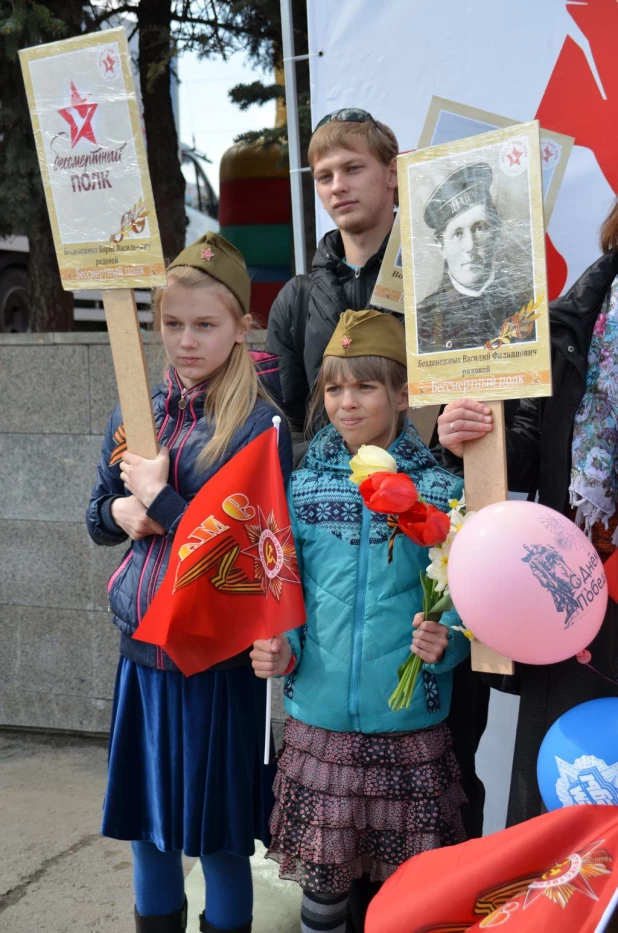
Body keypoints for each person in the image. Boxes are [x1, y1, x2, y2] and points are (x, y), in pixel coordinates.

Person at [86, 232, 292, 933]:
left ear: (241, 325)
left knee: (218, 836)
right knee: (148, 829)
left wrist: (164, 501)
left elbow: (244, 559)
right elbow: (94, 516)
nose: (187, 340)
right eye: (172, 324)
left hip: (216, 662)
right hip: (141, 656)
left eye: (205, 324)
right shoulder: (136, 412)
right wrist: (122, 508)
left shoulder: (259, 426)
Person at [251, 309, 470, 933]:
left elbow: (462, 585)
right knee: (323, 890)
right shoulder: (297, 486)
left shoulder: (437, 486)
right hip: (319, 722)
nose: (347, 402)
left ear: (403, 394)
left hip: (409, 722)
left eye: (366, 386)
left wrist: (446, 639)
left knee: (411, 890)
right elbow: (283, 585)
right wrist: (282, 648)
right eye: (335, 387)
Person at [436, 196, 618, 826]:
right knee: (562, 821)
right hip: (583, 601)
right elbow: (530, 451)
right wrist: (469, 435)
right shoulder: (578, 315)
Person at [266, 109, 399, 432]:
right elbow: (283, 425)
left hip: (423, 480)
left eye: (352, 169)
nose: (337, 186)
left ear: (392, 173)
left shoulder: (438, 278)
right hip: (322, 479)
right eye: (324, 177)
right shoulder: (296, 299)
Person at [416, 162, 534, 353]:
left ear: (496, 232)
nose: (470, 246)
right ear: (441, 246)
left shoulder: (527, 310)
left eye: (479, 229)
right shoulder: (422, 320)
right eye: (457, 234)